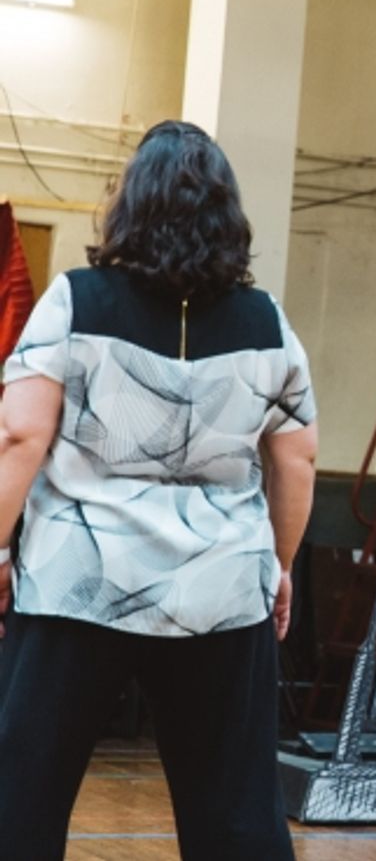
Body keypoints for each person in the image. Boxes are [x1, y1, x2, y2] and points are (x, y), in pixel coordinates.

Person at [0, 120, 318, 859]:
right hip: (220, 586)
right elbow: (298, 459)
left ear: (129, 204)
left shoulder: (74, 300)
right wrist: (280, 564)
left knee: (20, 793)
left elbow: (20, 436)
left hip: (78, 580)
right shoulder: (267, 322)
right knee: (235, 812)